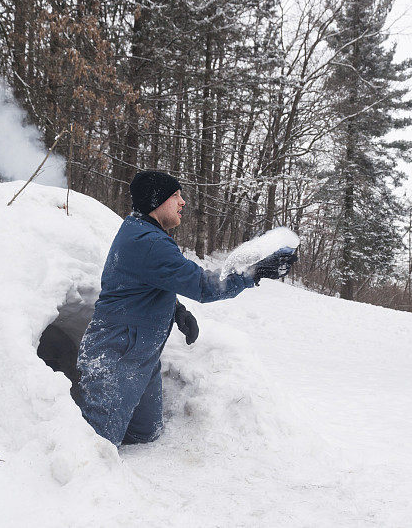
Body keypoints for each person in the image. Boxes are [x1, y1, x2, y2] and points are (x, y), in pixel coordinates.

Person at [76, 170, 297, 446]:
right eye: (176, 195)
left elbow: (146, 281)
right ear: (156, 200)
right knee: (96, 448)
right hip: (117, 355)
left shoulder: (141, 231)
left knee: (145, 434)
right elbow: (205, 286)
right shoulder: (149, 242)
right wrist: (254, 272)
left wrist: (176, 309)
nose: (183, 202)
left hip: (140, 355)